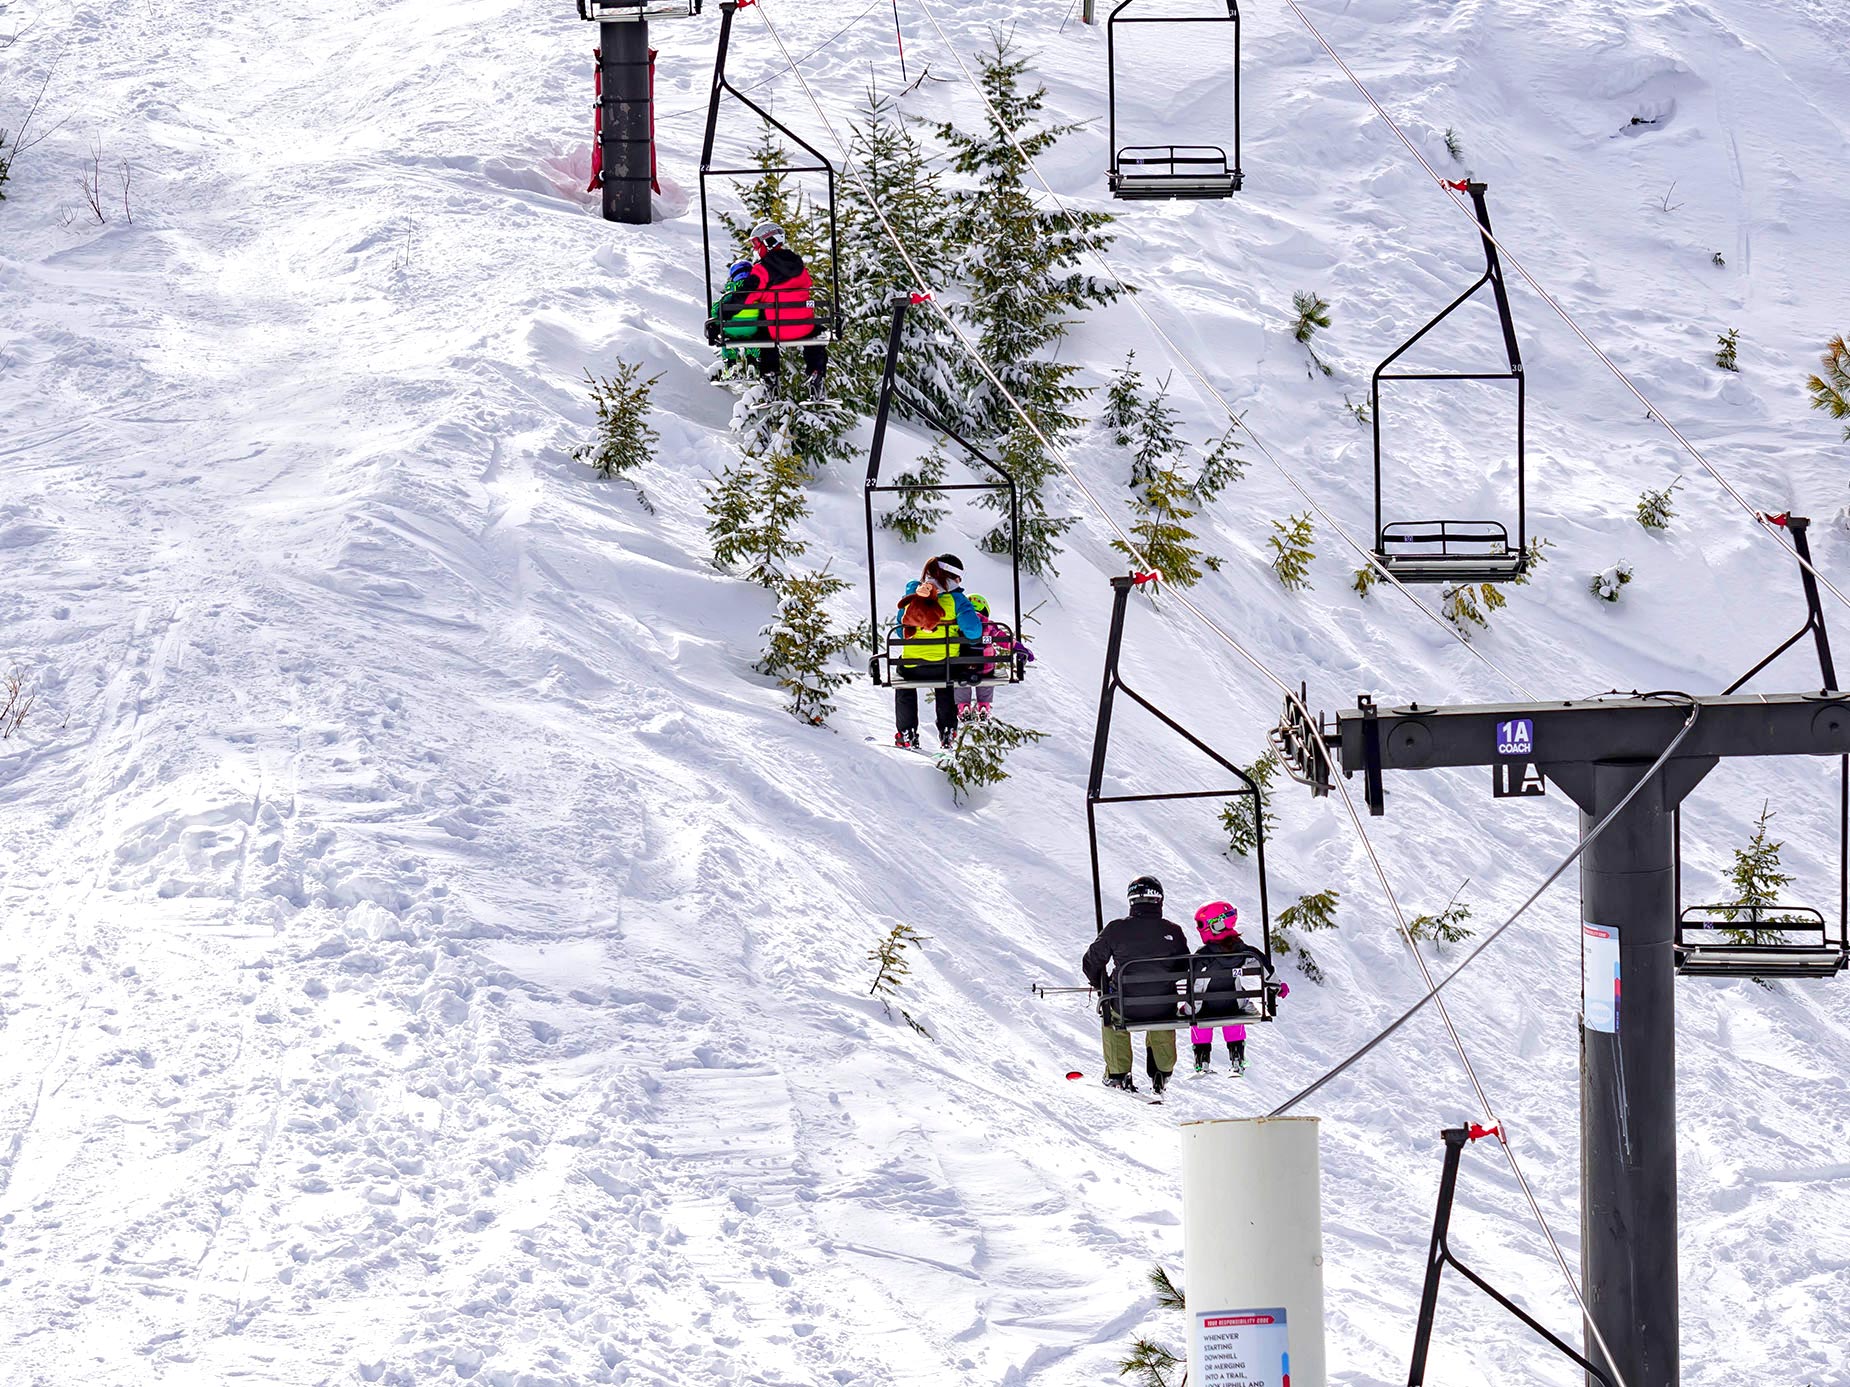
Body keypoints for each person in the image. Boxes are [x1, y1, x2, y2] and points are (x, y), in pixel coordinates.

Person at [1082, 875, 1191, 1096]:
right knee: (1160, 1014)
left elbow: (1091, 962)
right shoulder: (1173, 931)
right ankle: (1162, 1069)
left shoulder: (1116, 929)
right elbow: (1184, 966)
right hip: (1162, 1006)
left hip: (1125, 1007)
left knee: (1111, 1015)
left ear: (1132, 900)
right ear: (1159, 900)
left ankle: (1118, 1074)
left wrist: (1101, 985)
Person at [711, 221, 828, 400]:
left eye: (756, 244)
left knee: (763, 335)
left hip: (775, 329)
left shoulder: (762, 269)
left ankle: (770, 378)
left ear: (769, 241)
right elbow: (807, 286)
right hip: (803, 328)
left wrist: (721, 314)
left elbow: (745, 297)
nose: (755, 249)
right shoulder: (799, 267)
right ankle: (816, 374)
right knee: (816, 333)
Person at [892, 554, 982, 749]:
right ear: (954, 577)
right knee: (946, 683)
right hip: (946, 665)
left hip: (913, 667)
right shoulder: (958, 600)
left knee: (904, 683)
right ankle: (948, 730)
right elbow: (974, 633)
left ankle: (906, 732)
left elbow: (901, 631)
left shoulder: (915, 596)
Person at [1189, 902, 1285, 1077]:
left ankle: (1201, 1061)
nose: (1199, 929)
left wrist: (1189, 1008)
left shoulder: (1203, 955)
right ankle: (1237, 1059)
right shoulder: (1246, 952)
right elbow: (1265, 968)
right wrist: (1277, 987)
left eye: (1201, 925)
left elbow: (1194, 983)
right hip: (1233, 1004)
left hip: (1203, 1009)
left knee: (1199, 1016)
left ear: (1215, 925)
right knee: (1236, 1009)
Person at [955, 594, 1035, 725]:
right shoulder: (989, 625)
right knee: (987, 676)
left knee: (960, 678)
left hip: (961, 668)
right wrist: (1019, 648)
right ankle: (983, 707)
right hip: (985, 668)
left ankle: (963, 706)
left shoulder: (958, 624)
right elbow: (1004, 639)